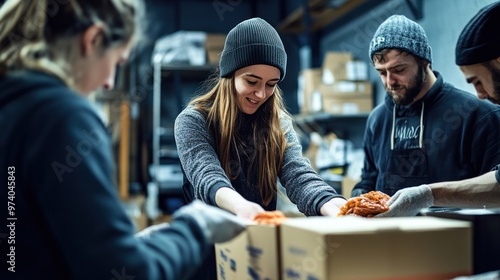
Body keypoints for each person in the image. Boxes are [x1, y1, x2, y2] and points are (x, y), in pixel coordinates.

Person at [0, 1, 246, 279]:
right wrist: (194, 227)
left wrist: (138, 246)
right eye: (117, 61)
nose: (109, 82)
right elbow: (127, 273)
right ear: (92, 40)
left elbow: (26, 246)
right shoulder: (59, 114)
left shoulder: (13, 104)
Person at [174, 17, 347, 279]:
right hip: (206, 253)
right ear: (229, 75)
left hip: (256, 250)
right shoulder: (193, 120)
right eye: (252, 81)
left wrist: (333, 204)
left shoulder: (279, 123)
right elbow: (206, 175)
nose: (261, 94)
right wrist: (241, 207)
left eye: (271, 84)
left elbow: (298, 175)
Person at [351, 15, 500, 200]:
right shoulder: (377, 119)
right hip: (387, 230)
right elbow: (368, 180)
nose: (390, 81)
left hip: (457, 230)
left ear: (424, 62)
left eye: (399, 70)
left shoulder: (478, 115)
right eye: (382, 72)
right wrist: (357, 198)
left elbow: (495, 194)